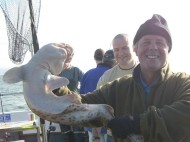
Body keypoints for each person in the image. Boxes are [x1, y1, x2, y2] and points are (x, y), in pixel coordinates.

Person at [57, 14, 190, 142]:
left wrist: (137, 123)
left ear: (169, 49)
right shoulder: (118, 87)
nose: (153, 47)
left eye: (160, 43)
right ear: (136, 50)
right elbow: (82, 105)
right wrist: (54, 85)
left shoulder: (183, 83)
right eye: (146, 42)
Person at [96, 33, 138, 142]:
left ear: (134, 48)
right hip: (113, 136)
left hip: (141, 134)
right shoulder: (106, 77)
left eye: (125, 48)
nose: (121, 53)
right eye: (117, 50)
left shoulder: (147, 71)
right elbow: (97, 108)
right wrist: (96, 137)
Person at [80, 49, 116, 142]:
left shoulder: (87, 74)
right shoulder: (115, 74)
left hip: (91, 124)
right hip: (112, 126)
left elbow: (81, 98)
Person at [56, 43, 85, 142]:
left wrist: (82, 96)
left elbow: (85, 82)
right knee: (66, 135)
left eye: (71, 54)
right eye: (67, 53)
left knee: (78, 134)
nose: (69, 56)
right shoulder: (56, 71)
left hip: (75, 106)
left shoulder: (76, 70)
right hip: (61, 107)